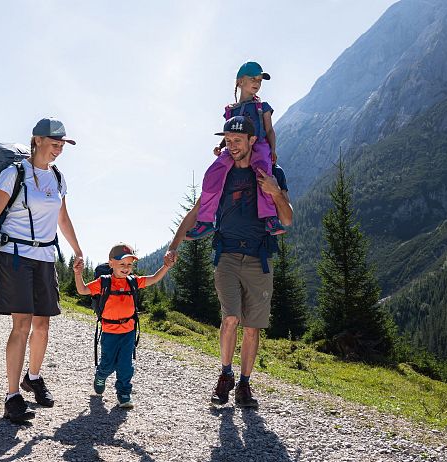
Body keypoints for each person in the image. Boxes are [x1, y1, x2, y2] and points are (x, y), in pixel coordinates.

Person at [166, 115, 293, 408]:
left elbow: (287, 219)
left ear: (252, 140)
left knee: (252, 328)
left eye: (238, 140)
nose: (231, 146)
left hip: (259, 259)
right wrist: (174, 246)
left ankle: (245, 385)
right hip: (226, 256)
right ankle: (225, 375)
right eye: (228, 140)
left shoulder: (272, 173)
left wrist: (275, 193)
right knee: (231, 318)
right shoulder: (221, 174)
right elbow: (196, 213)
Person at [0, 117, 83, 423]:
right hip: (14, 255)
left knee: (43, 325)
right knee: (21, 324)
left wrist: (77, 249)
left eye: (62, 145)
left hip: (45, 258)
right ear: (37, 140)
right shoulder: (15, 174)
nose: (58, 150)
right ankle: (12, 396)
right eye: (54, 144)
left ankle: (33, 377)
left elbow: (62, 219)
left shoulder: (58, 177)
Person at [186, 61, 284, 240]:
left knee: (263, 172)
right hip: (235, 147)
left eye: (260, 80)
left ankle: (270, 217)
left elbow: (269, 130)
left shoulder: (263, 107)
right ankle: (206, 221)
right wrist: (222, 145)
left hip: (259, 144)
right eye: (253, 78)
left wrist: (273, 149)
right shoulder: (231, 111)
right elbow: (230, 133)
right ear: (240, 82)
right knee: (212, 173)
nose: (257, 83)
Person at [74, 243, 172, 409]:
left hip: (128, 332)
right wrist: (78, 273)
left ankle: (124, 394)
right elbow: (82, 290)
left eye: (129, 264)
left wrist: (166, 266)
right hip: (109, 332)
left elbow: (154, 278)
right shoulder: (103, 282)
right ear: (111, 263)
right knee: (107, 364)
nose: (126, 268)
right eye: (122, 264)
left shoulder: (133, 282)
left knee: (126, 366)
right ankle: (101, 375)